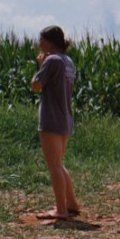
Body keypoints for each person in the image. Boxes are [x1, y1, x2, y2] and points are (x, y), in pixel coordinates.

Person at [31, 25, 80, 220]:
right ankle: (71, 204)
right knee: (59, 163)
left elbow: (35, 86)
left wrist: (40, 66)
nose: (39, 44)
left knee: (54, 165)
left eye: (41, 40)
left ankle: (61, 210)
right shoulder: (68, 61)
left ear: (49, 42)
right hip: (65, 117)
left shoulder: (51, 61)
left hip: (51, 118)